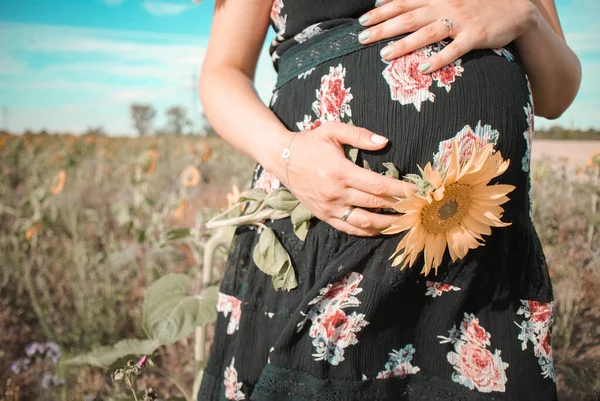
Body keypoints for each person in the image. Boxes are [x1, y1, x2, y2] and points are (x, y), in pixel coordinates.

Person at [197, 0, 581, 399]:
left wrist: (526, 17)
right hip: (323, 221)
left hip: (483, 246)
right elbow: (223, 70)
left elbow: (557, 94)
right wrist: (288, 155)